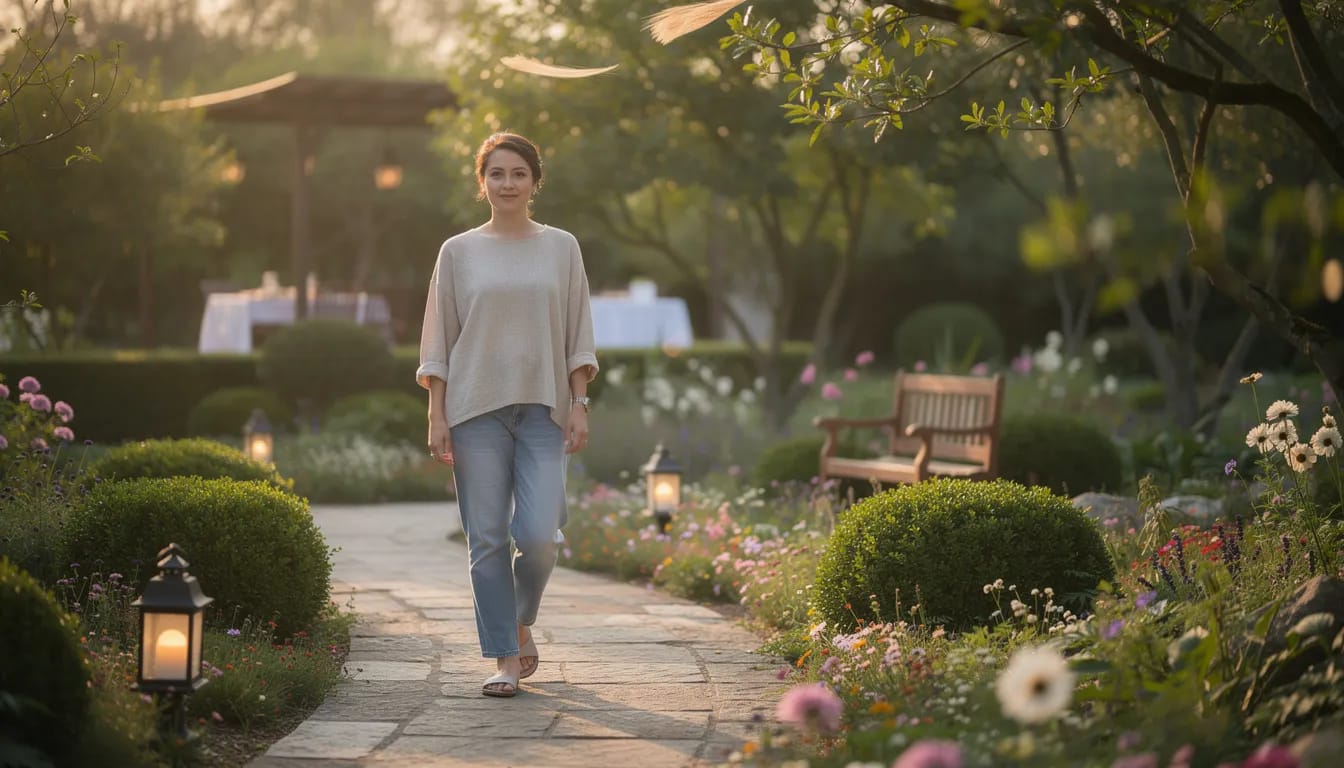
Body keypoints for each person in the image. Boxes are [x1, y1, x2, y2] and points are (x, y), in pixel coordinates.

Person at [416, 132, 598, 698]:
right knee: (487, 538)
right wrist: (436, 413)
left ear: (535, 181)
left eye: (518, 173)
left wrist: (579, 403)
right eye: (497, 173)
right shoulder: (457, 251)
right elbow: (439, 338)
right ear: (483, 182)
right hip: (474, 410)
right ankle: (503, 657)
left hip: (545, 407)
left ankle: (519, 623)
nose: (508, 183)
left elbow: (577, 332)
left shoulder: (562, 247)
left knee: (540, 535)